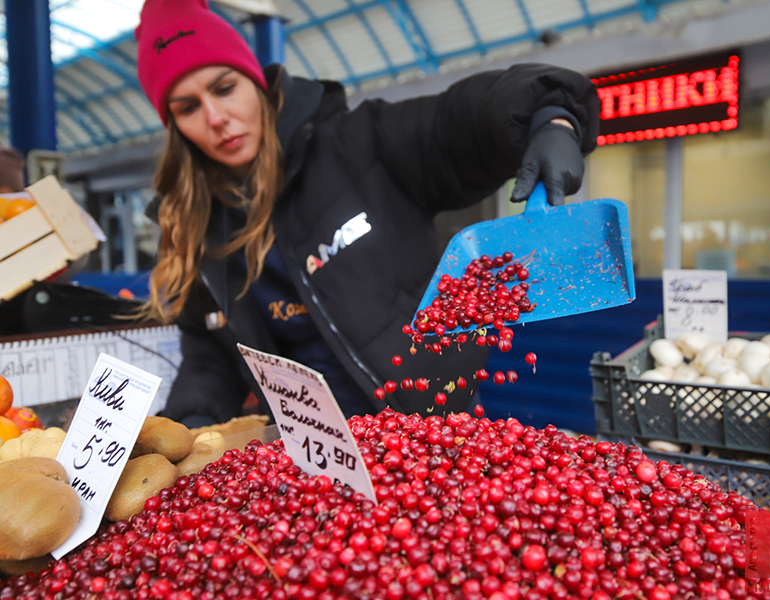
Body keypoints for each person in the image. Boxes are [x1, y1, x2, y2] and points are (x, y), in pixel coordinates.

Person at [135, 0, 599, 427]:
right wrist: (190, 424)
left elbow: (457, 121)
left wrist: (549, 116)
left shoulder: (361, 145)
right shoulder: (194, 226)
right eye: (189, 107)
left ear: (257, 83)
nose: (216, 117)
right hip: (313, 473)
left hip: (435, 441)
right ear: (173, 124)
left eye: (224, 88)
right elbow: (209, 354)